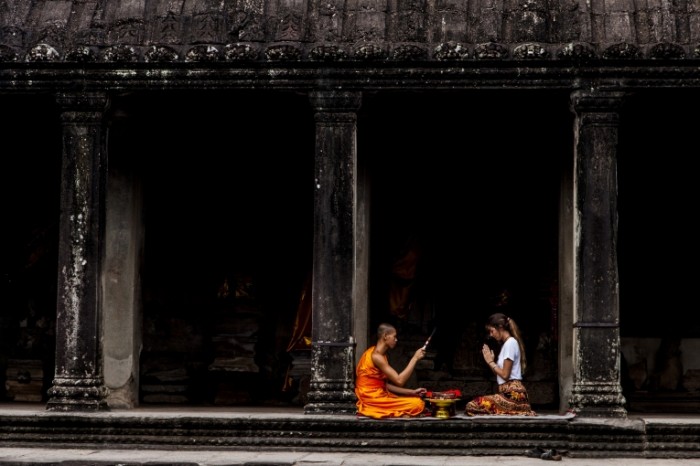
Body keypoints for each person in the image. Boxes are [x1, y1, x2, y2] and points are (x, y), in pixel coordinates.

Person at [464, 312, 536, 416]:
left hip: (513, 396)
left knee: (472, 406)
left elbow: (505, 375)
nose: (491, 334)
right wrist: (491, 363)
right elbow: (501, 374)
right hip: (509, 394)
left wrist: (491, 362)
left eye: (492, 331)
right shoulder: (508, 343)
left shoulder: (510, 343)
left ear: (500, 327)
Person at [355, 323, 428, 418]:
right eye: (394, 336)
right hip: (371, 398)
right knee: (418, 404)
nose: (396, 340)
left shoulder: (380, 355)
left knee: (415, 400)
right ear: (385, 336)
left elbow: (383, 385)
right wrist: (415, 358)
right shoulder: (376, 356)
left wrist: (412, 392)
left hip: (379, 394)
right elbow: (399, 381)